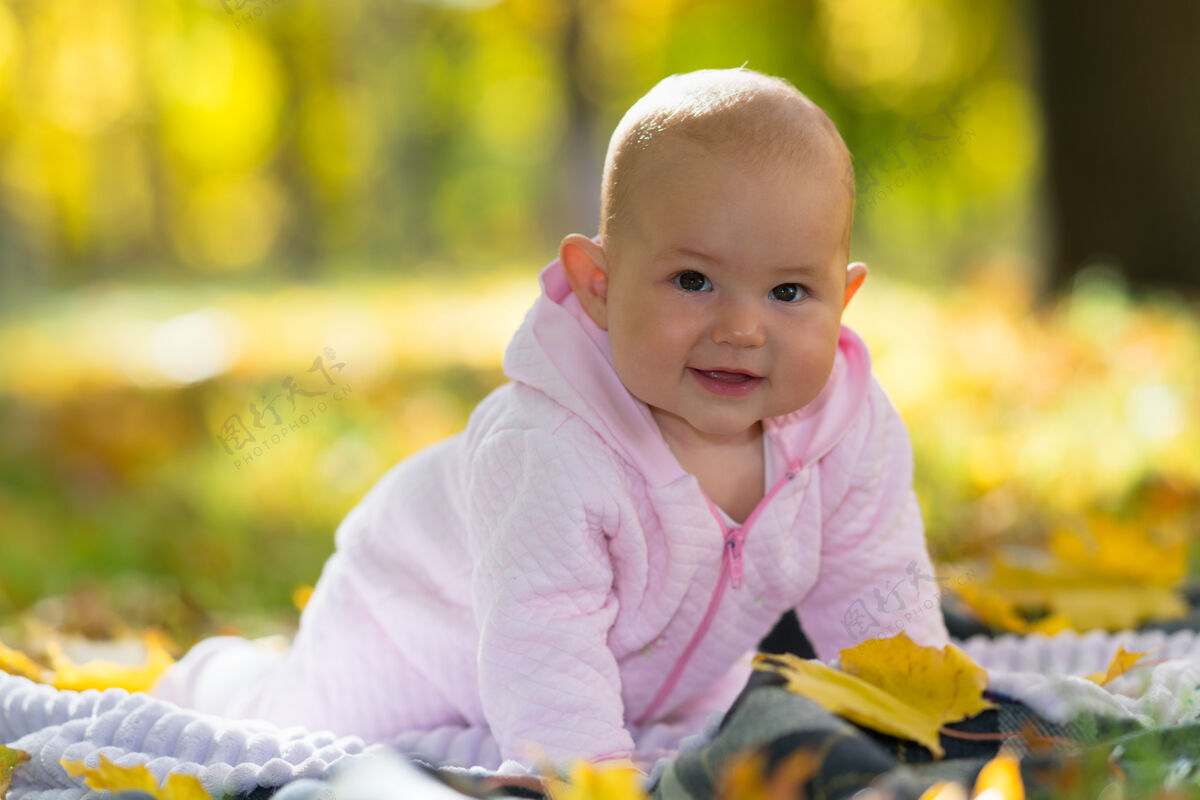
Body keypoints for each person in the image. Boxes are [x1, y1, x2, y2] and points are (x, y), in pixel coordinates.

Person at [153, 67, 949, 773]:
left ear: (843, 300)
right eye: (694, 280)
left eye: (787, 293)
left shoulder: (850, 433)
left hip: (647, 689)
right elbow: (544, 630)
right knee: (282, 726)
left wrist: (914, 712)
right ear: (597, 284)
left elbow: (877, 583)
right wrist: (584, 774)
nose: (742, 328)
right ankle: (216, 673)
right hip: (412, 630)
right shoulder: (554, 446)